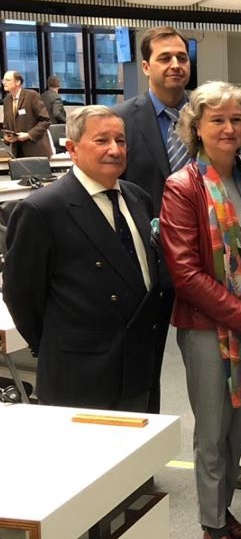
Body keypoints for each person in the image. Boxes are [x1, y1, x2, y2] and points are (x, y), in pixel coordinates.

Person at [160, 81, 241, 539]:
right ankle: (212, 524)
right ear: (197, 128)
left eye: (236, 119)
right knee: (213, 431)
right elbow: (185, 273)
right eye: (217, 120)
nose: (229, 128)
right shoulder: (183, 187)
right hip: (210, 329)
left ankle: (223, 505)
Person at [3, 106, 160, 410]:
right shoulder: (43, 209)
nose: (115, 150)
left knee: (138, 454)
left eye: (121, 141)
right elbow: (22, 296)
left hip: (138, 366)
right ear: (72, 148)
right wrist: (55, 345)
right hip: (78, 372)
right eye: (102, 141)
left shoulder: (139, 198)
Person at [113, 27, 195, 434]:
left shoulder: (208, 114)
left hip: (207, 261)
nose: (176, 64)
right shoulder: (122, 121)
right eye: (165, 57)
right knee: (143, 366)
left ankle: (221, 459)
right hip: (148, 261)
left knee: (215, 369)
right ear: (145, 66)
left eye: (181, 57)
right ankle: (140, 461)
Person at [2, 71, 51, 159]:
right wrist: (7, 137)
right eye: (3, 80)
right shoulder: (7, 101)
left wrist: (29, 135)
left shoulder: (31, 95)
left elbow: (45, 121)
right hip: (17, 152)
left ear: (18, 82)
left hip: (36, 150)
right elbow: (6, 126)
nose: (4, 82)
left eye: (7, 80)